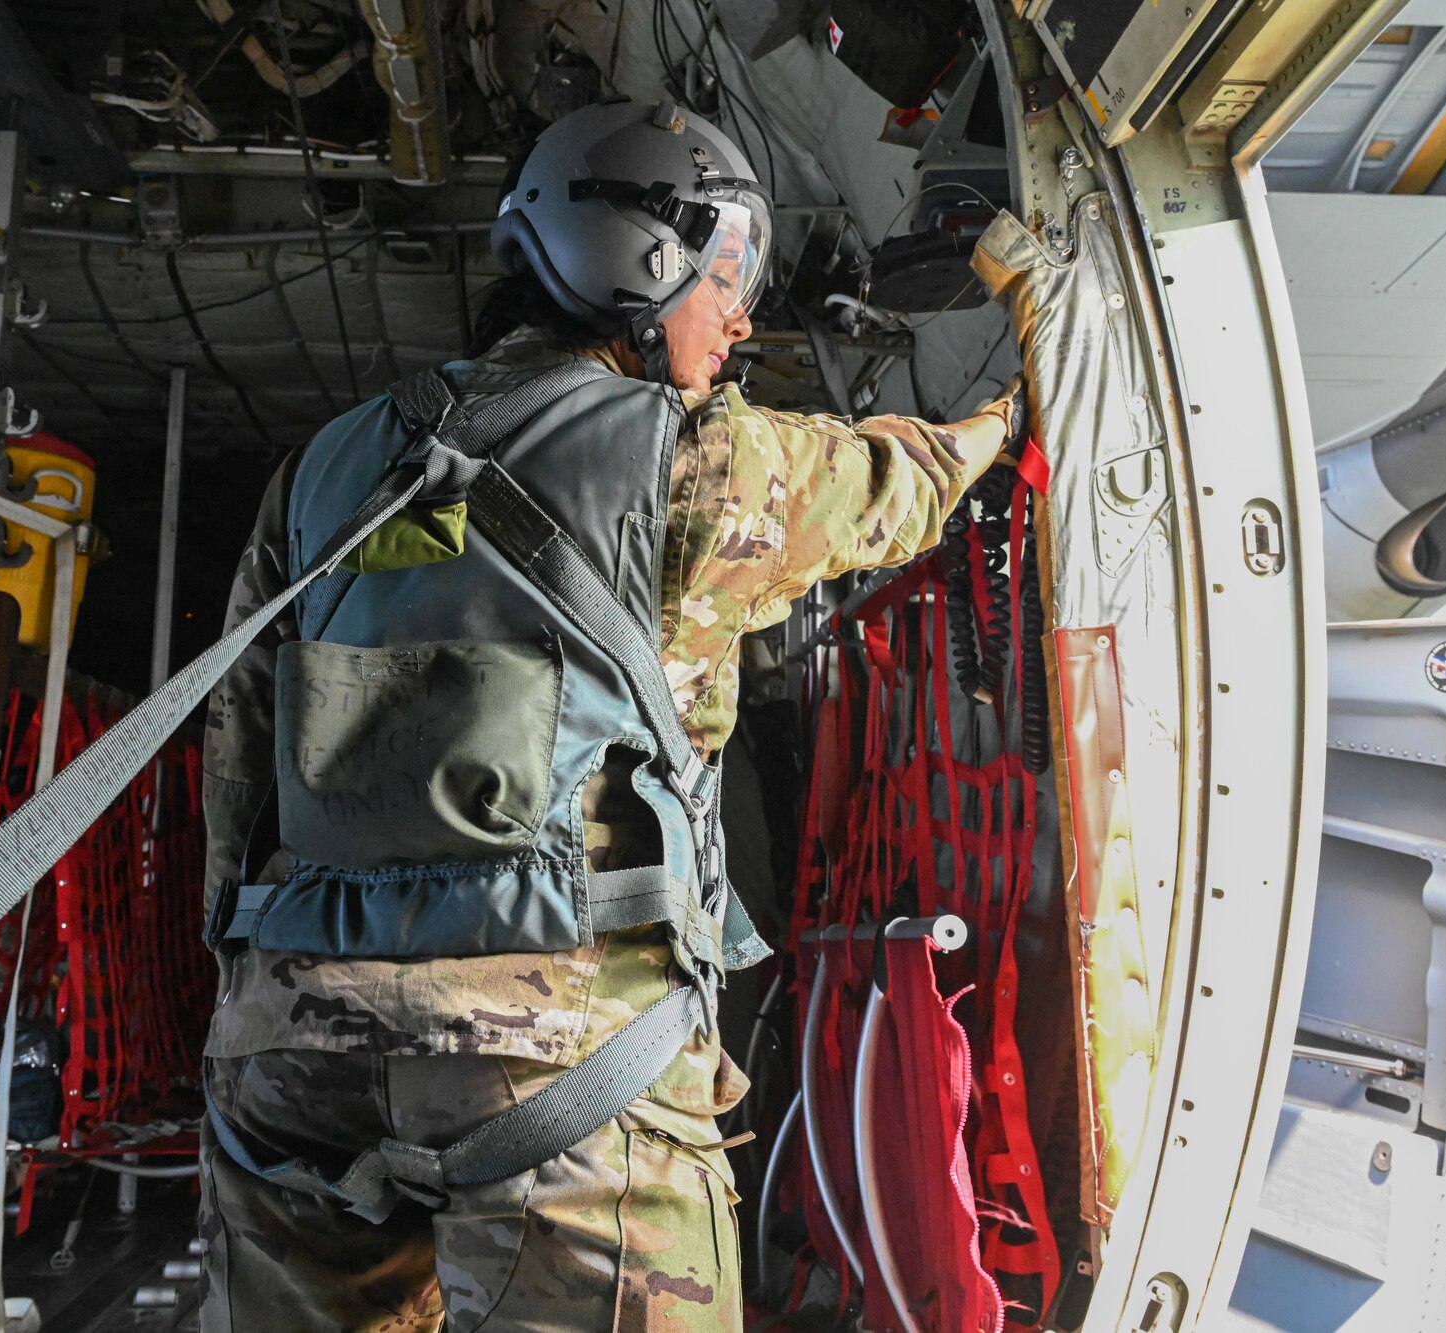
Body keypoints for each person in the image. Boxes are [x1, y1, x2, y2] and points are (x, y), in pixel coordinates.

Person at [197, 98, 1028, 1331]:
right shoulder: (691, 462)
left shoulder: (321, 469)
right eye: (726, 273)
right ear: (646, 261)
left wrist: (252, 990)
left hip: (285, 1067)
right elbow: (899, 484)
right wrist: (1018, 388)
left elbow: (239, 765)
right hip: (559, 1073)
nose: (738, 317)